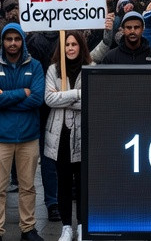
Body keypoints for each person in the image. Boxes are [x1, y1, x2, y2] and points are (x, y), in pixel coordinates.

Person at [0, 24, 45, 241]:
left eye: (16, 39)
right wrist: (22, 92)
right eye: (8, 39)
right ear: (2, 41)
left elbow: (37, 98)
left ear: (22, 41)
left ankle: (28, 228)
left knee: (28, 187)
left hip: (28, 136)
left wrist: (5, 98)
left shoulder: (34, 65)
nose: (12, 43)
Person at [44, 33, 88, 241]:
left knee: (81, 182)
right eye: (67, 44)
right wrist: (77, 94)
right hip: (59, 133)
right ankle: (66, 227)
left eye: (74, 44)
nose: (70, 48)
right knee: (62, 182)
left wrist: (66, 97)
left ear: (81, 47)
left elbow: (92, 99)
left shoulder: (90, 67)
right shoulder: (53, 69)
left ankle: (80, 225)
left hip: (82, 133)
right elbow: (50, 99)